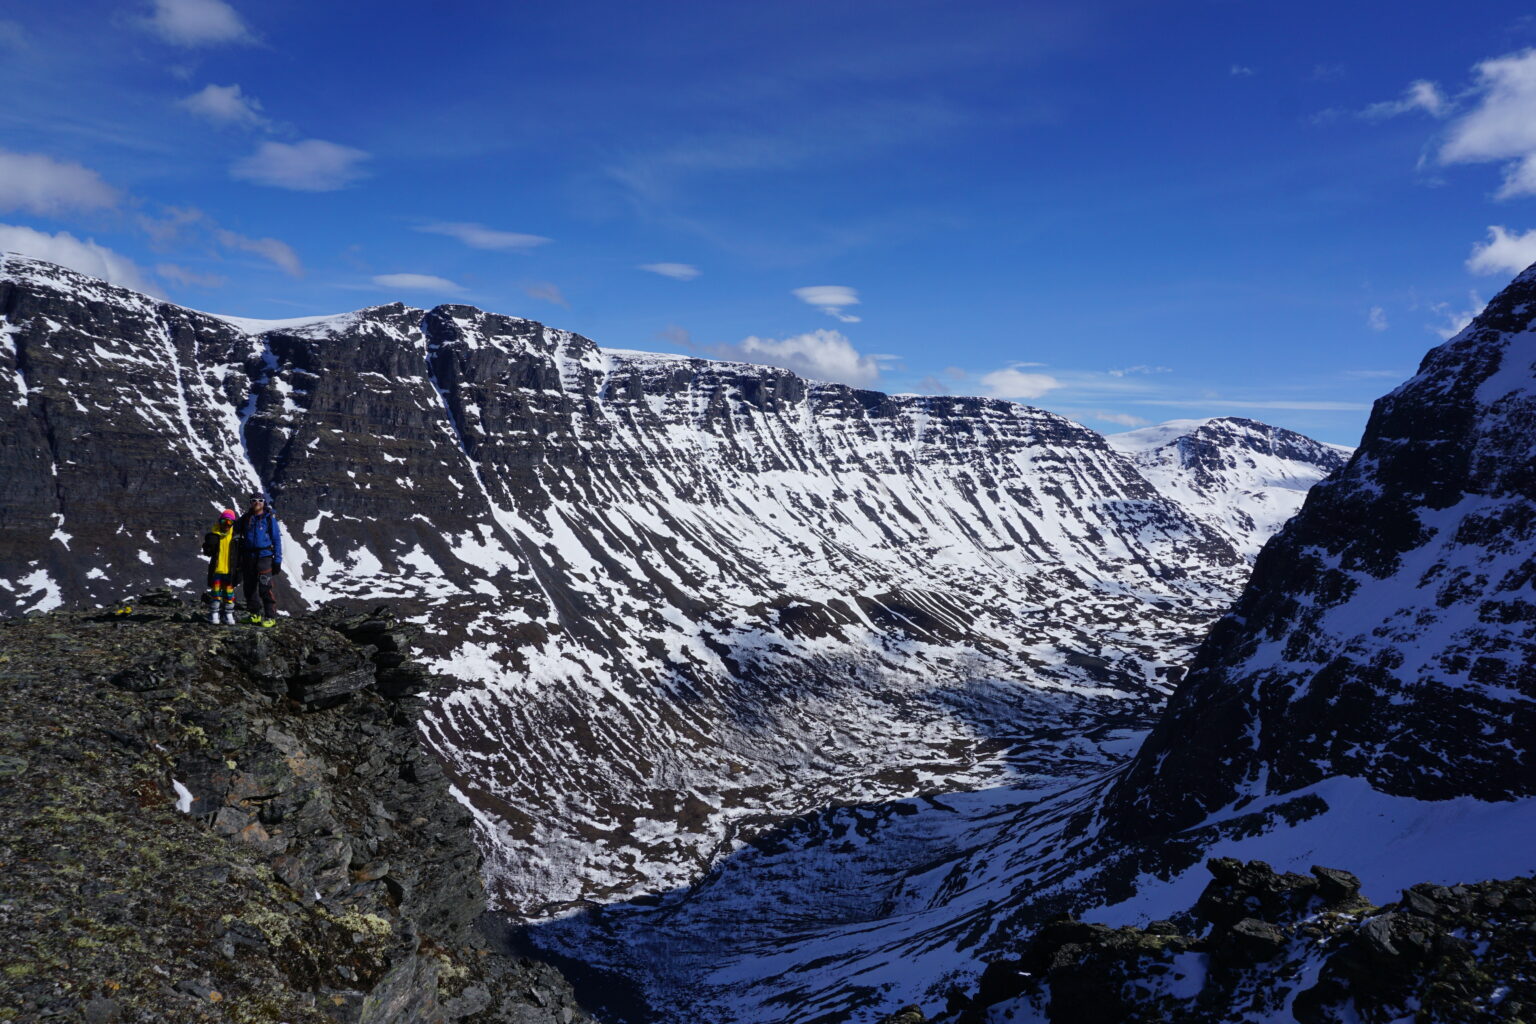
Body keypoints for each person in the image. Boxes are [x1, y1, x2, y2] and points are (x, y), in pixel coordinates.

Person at [235, 492, 283, 627]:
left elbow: (277, 540)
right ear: (250, 502)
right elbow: (232, 529)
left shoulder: (269, 519)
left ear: (264, 502)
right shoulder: (246, 518)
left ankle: (270, 617)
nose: (257, 502)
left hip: (264, 557)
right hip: (248, 557)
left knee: (265, 587)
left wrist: (277, 560)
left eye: (260, 500)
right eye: (254, 500)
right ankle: (254, 615)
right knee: (249, 587)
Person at [200, 508, 240, 624]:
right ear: (220, 522)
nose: (226, 525)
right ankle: (214, 614)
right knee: (216, 594)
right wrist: (207, 545)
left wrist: (239, 570)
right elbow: (208, 552)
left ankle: (228, 615)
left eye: (229, 522)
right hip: (217, 571)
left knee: (229, 594)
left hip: (229, 572)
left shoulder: (235, 537)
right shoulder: (214, 535)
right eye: (224, 522)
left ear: (232, 523)